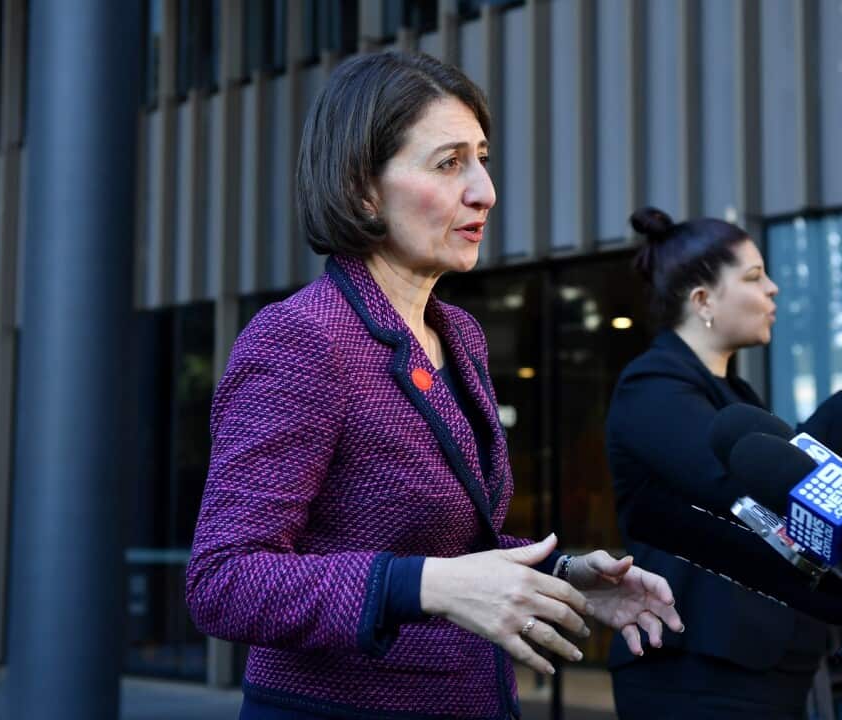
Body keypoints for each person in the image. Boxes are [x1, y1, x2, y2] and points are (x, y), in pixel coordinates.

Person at [185, 52, 683, 720]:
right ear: (364, 188)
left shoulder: (460, 335)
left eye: (482, 158)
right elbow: (224, 581)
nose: (485, 190)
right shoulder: (302, 339)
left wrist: (560, 575)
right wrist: (424, 585)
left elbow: (454, 554)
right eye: (449, 163)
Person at [606, 207, 842, 719]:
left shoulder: (734, 393)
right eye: (755, 277)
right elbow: (745, 485)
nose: (773, 289)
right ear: (703, 300)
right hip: (695, 671)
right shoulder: (653, 387)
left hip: (763, 669)